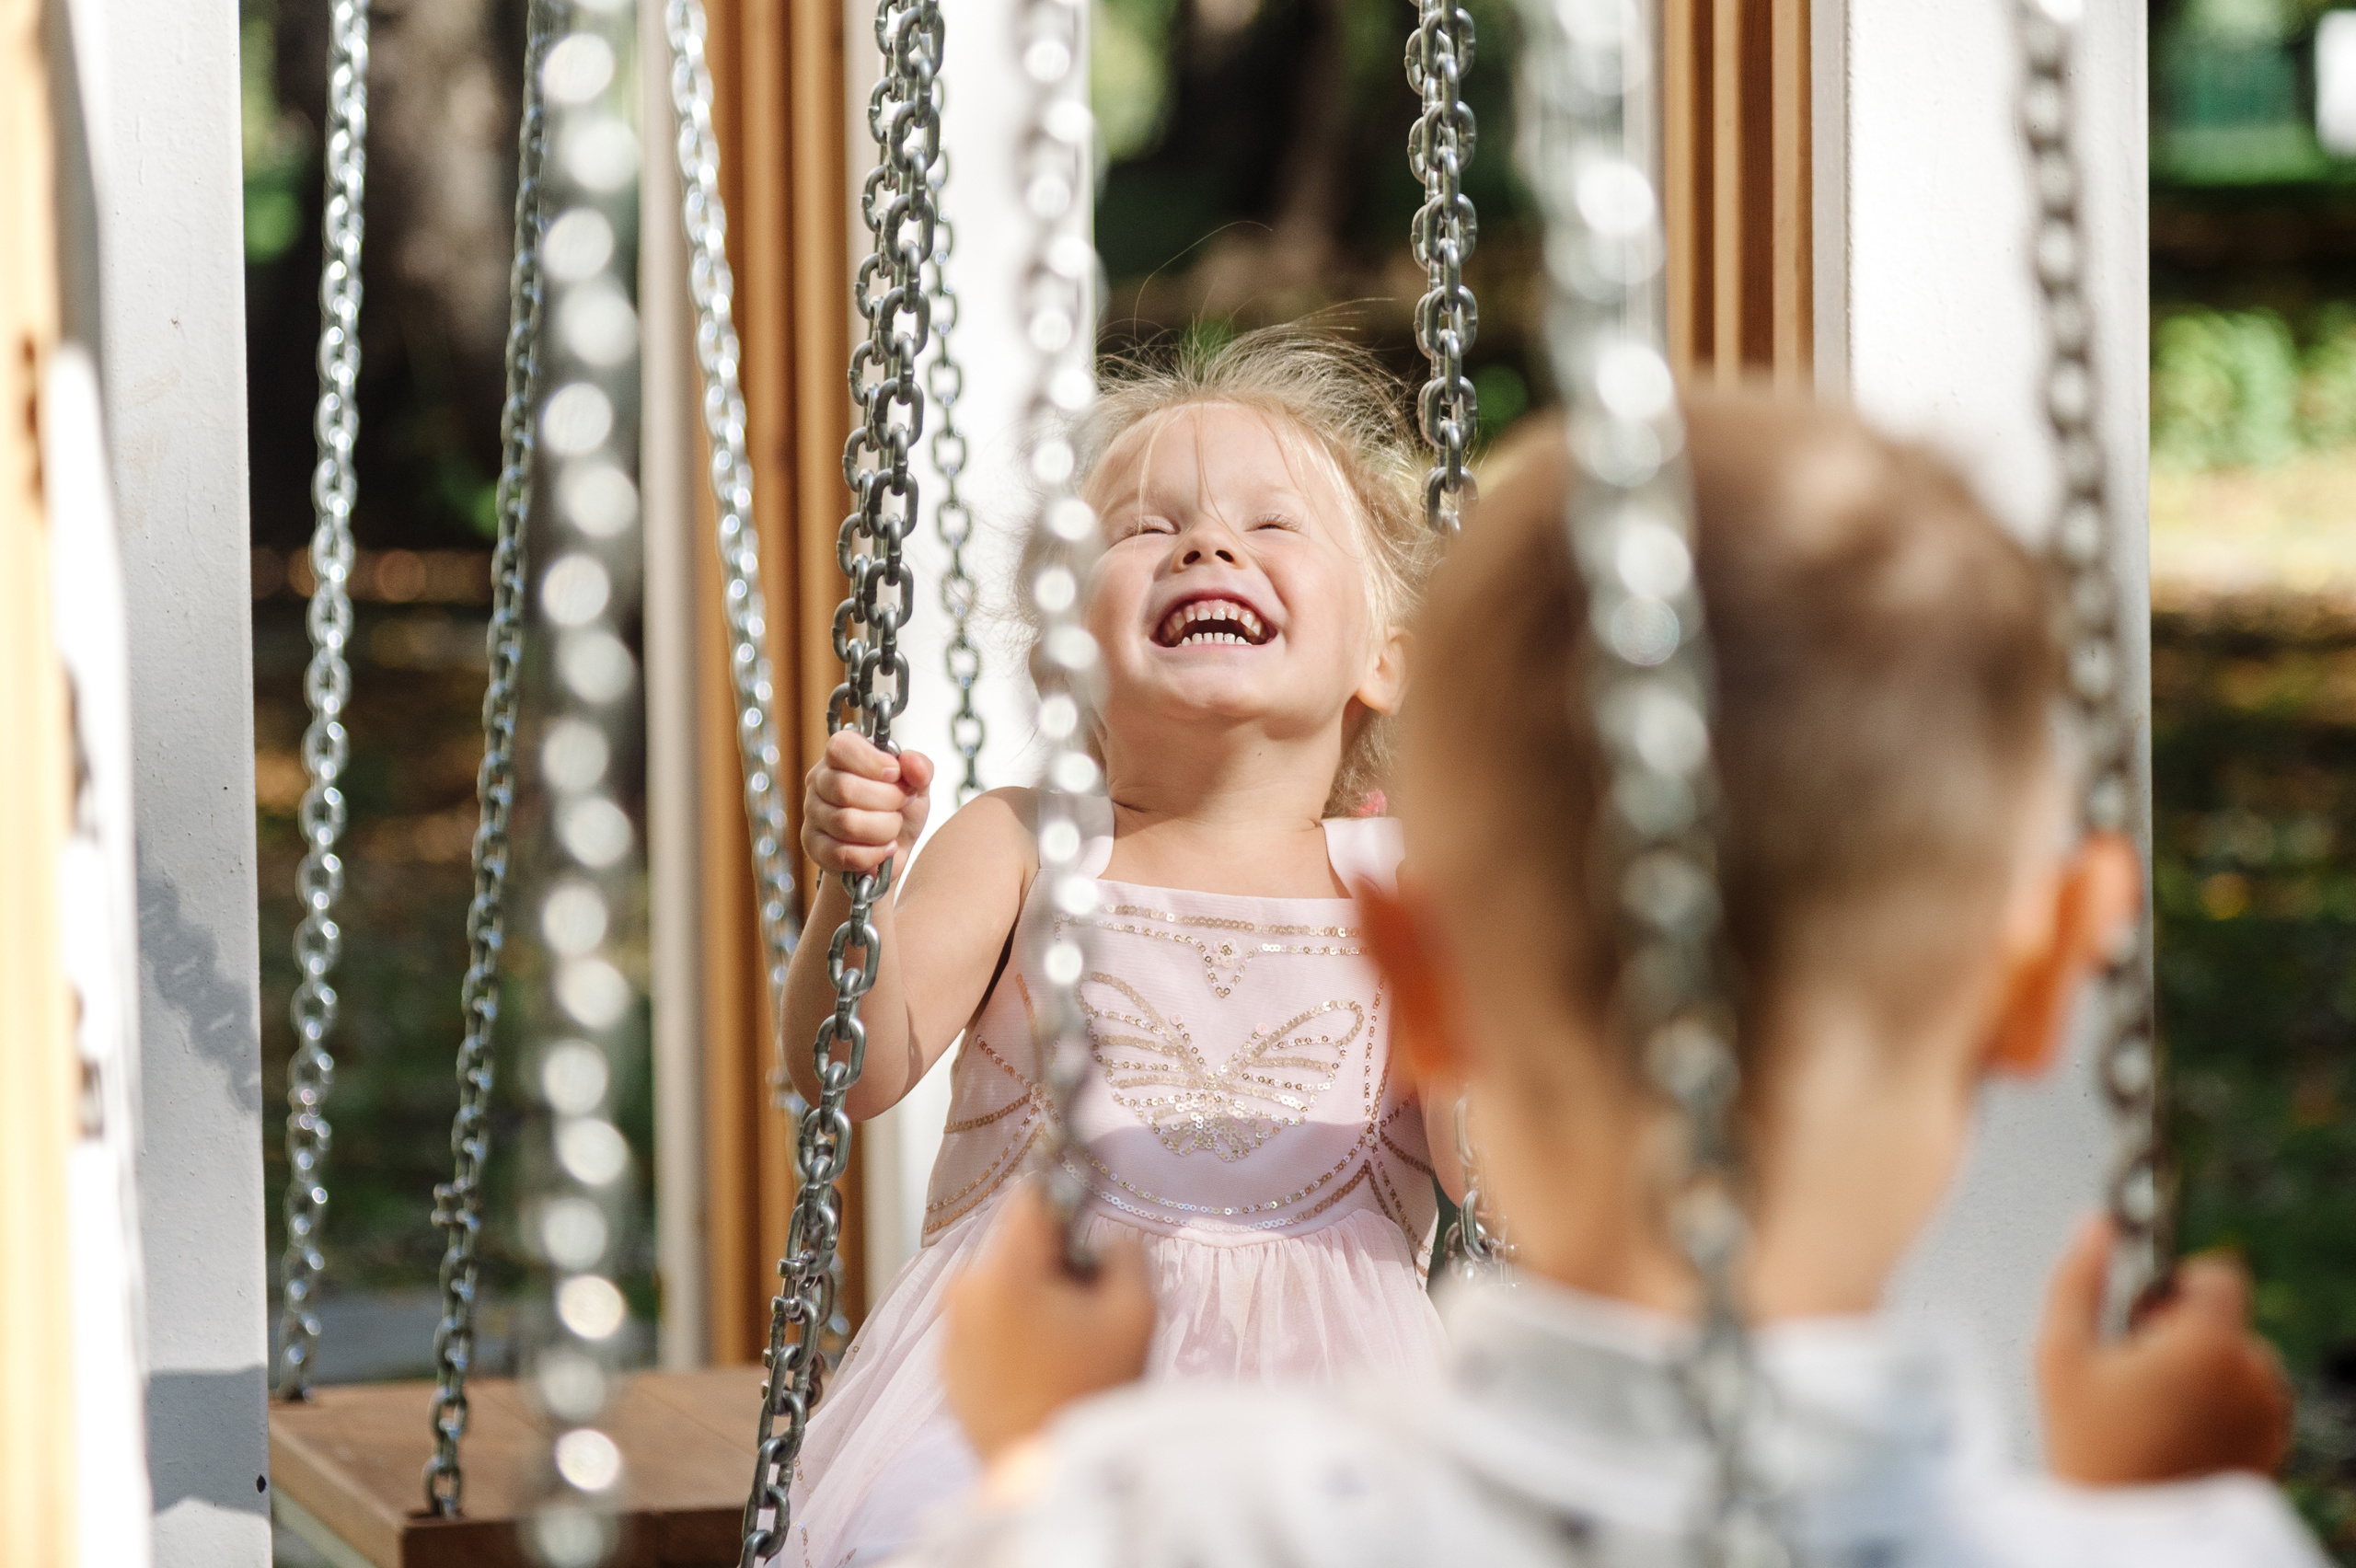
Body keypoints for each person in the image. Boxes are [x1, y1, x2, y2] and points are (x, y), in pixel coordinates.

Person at [902, 391, 2319, 1566]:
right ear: (2054, 965)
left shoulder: (1170, 1520)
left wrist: (1038, 1459)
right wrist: (2152, 1506)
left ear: (1421, 987)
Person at [774, 328, 1457, 1566]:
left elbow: (1488, 1180)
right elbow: (852, 1070)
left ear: (1384, 662)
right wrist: (850, 893)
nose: (1206, 544)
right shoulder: (1026, 845)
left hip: (1333, 1424)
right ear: (1063, 650)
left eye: (1272, 524)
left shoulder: (1405, 885)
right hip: (1026, 1403)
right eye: (1144, 528)